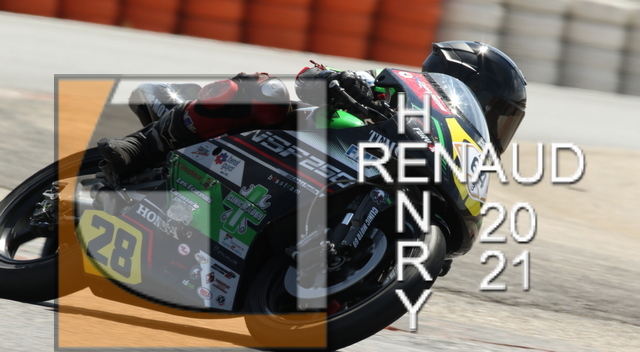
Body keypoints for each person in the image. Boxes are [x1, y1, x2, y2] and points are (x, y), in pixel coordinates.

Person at [98, 41, 527, 179]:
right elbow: (311, 77)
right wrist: (336, 81)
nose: (497, 128)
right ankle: (141, 147)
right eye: (498, 114)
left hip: (334, 186)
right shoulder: (391, 89)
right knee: (264, 93)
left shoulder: (445, 159)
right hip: (289, 147)